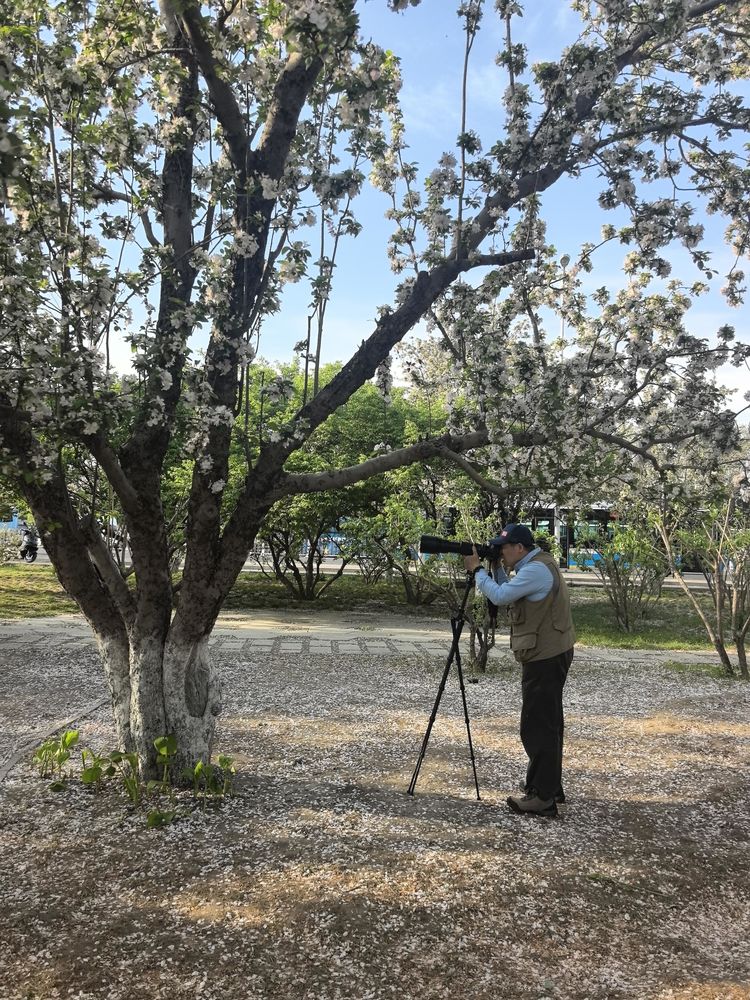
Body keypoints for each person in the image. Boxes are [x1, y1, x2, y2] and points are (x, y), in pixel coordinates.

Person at [463, 523, 575, 818]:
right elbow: (508, 592)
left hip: (545, 655)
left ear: (519, 548)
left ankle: (542, 797)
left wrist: (477, 570)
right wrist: (495, 568)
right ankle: (550, 786)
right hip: (551, 651)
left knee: (537, 725)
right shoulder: (538, 564)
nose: (500, 552)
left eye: (503, 548)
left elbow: (500, 597)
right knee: (549, 722)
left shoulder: (535, 570)